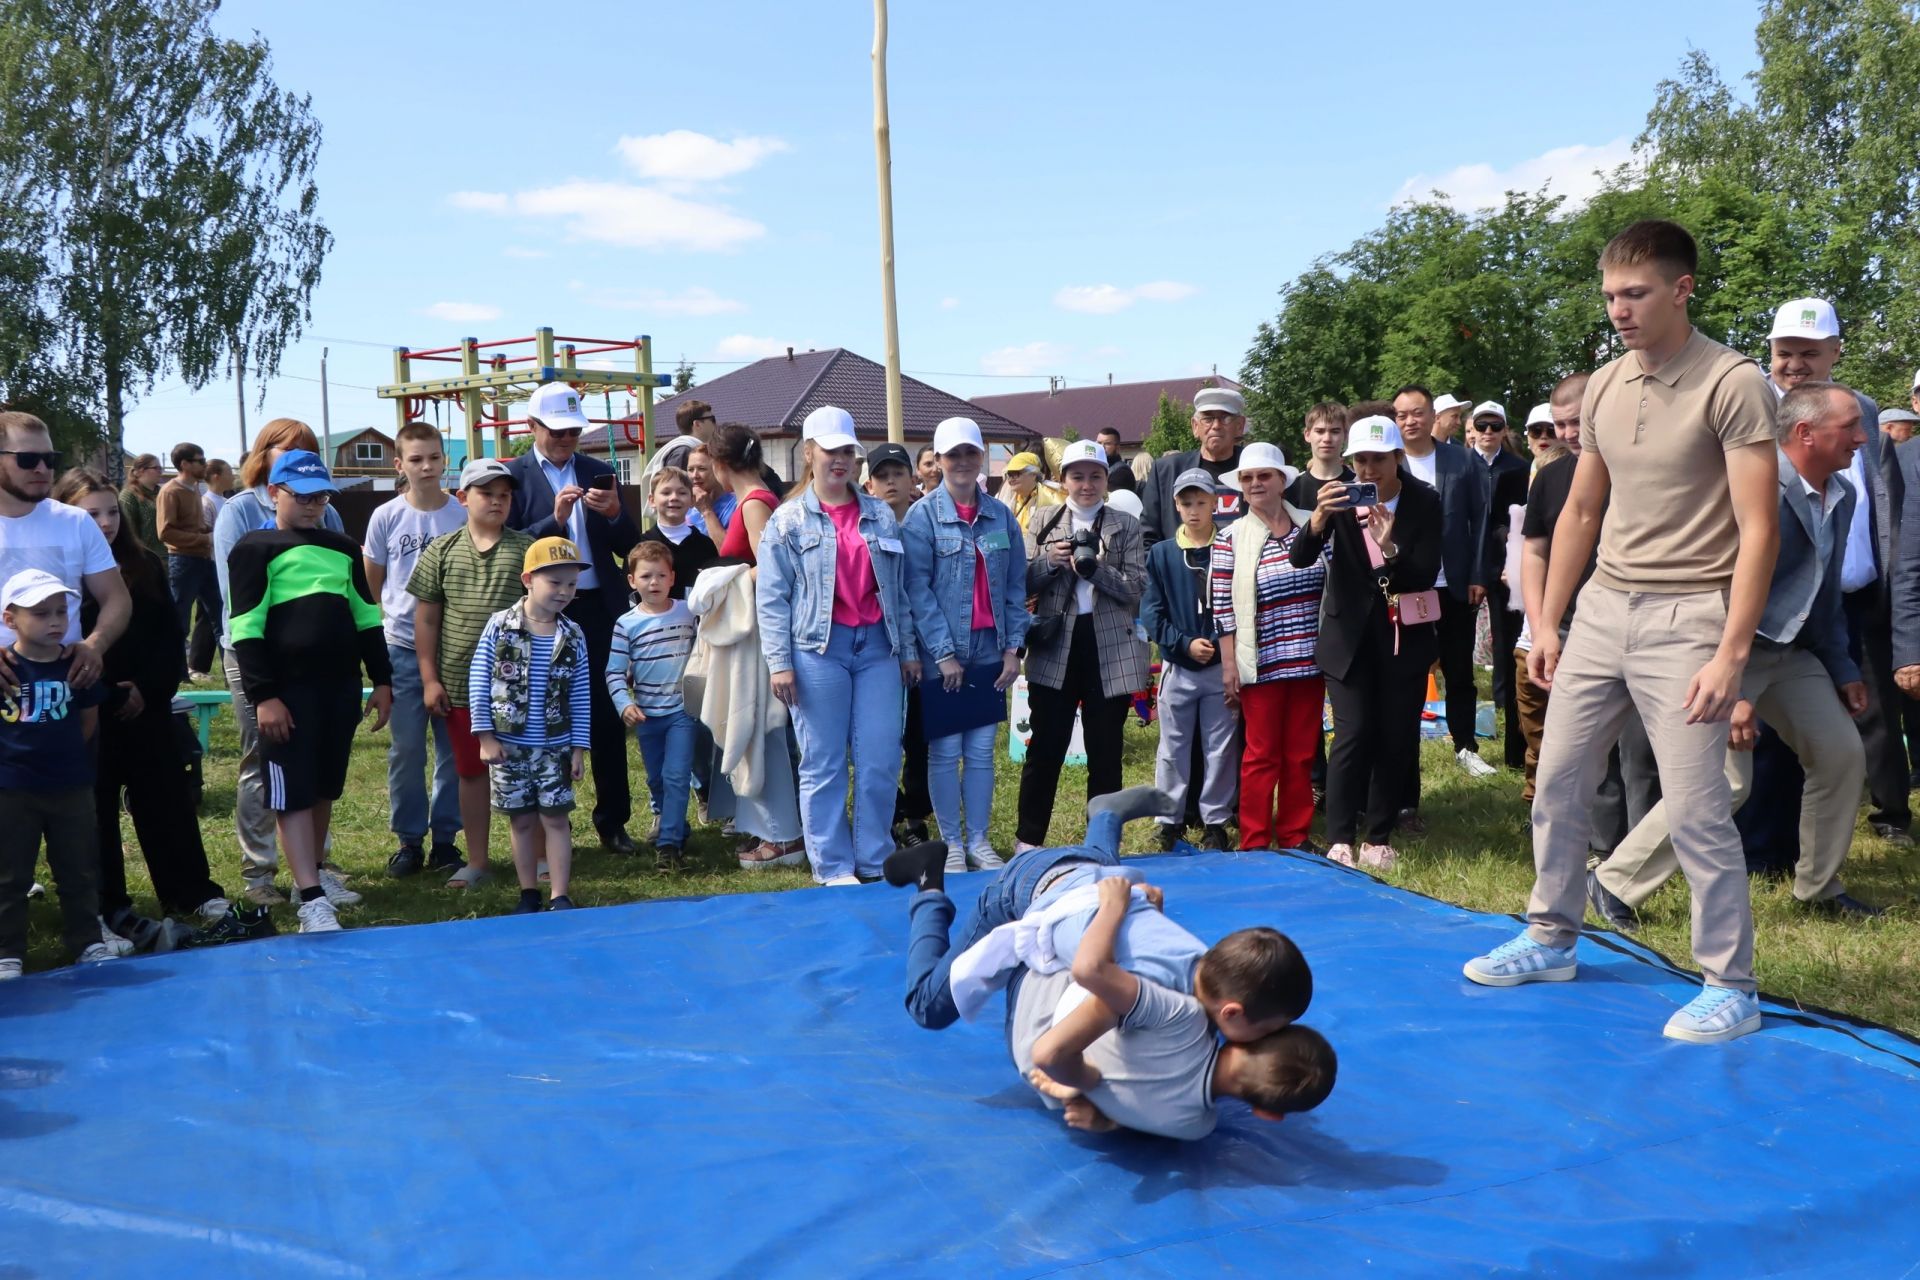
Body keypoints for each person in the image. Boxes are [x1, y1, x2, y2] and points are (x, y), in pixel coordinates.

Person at [1464, 219, 1781, 1045]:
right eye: (1610, 295)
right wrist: (1545, 623)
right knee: (1560, 778)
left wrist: (1731, 653)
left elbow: (1760, 531)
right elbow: (1580, 509)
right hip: (1604, 607)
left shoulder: (1734, 382)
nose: (1619, 311)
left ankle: (1731, 983)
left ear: (1682, 290)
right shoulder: (1602, 386)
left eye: (1635, 294)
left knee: (1697, 806)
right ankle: (1551, 936)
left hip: (1692, 617)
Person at [886, 788, 1335, 1140]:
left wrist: (1129, 910)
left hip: (1077, 889)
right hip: (1029, 892)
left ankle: (1106, 817)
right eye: (1267, 1029)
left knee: (1104, 877)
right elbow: (1089, 971)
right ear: (1233, 1013)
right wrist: (1085, 1083)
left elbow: (1129, 958)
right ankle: (929, 881)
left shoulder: (1198, 977)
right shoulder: (1193, 1108)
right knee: (928, 1004)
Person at [1591, 382, 1875, 920]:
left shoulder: (1843, 495)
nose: (1863, 438)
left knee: (1841, 754)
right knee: (1725, 780)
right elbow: (1713, 585)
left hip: (1790, 654)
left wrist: (1841, 667)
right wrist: (1731, 685)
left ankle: (1819, 890)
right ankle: (1614, 883)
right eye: (1851, 428)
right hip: (1718, 648)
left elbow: (1825, 591)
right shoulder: (1753, 486)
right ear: (1804, 433)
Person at [54, 470, 229, 949]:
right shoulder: (53, 570)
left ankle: (191, 891)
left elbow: (170, 637)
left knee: (166, 802)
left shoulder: (143, 564)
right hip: (84, 706)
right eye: (92, 514)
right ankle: (108, 904)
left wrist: (147, 691)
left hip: (147, 706)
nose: (105, 522)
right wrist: (107, 690)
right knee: (95, 812)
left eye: (111, 511)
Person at [1757, 299, 1907, 848]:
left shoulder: (1860, 409)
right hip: (1777, 602)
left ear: (1836, 352)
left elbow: (1883, 498)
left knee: (1868, 713)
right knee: (1771, 732)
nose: (1795, 363)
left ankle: (1877, 820)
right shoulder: (1751, 409)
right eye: (1784, 352)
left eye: (1809, 352)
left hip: (1856, 593)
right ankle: (1768, 844)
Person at [226, 451, 394, 934]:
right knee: (291, 792)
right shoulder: (254, 548)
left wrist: (382, 680)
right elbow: (246, 627)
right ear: (274, 492)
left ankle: (312, 876)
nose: (312, 505)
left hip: (338, 686)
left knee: (323, 784)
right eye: (301, 496)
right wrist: (264, 695)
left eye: (320, 495)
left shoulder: (342, 546)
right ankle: (312, 901)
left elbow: (367, 618)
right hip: (287, 690)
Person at [759, 406, 917, 885]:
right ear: (809, 453)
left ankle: (873, 858)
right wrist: (780, 664)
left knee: (881, 757)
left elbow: (898, 590)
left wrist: (908, 649)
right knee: (823, 760)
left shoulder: (880, 517)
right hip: (815, 652)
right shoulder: (786, 522)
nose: (841, 460)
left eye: (848, 451)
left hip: (878, 650)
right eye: (831, 450)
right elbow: (772, 599)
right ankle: (831, 865)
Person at [1292, 417, 1441, 868]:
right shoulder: (1338, 497)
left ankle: (1378, 835)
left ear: (1398, 457)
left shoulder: (1424, 501)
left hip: (1404, 634)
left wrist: (1390, 546)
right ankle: (1339, 835)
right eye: (1360, 460)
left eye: (1378, 458)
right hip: (1348, 636)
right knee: (1352, 733)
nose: (1368, 469)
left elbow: (1424, 573)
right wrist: (1318, 520)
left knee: (1394, 734)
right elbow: (1300, 559)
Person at [212, 417, 347, 906]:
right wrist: (264, 676)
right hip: (256, 656)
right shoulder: (237, 511)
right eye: (287, 450)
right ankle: (259, 871)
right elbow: (234, 597)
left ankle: (314, 870)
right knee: (262, 760)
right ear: (264, 457)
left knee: (318, 763)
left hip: (318, 666)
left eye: (309, 450)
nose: (301, 460)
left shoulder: (326, 514)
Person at [505, 382, 642, 857]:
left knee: (605, 717)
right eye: (557, 431)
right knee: (543, 712)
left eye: (573, 431)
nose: (566, 440)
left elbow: (631, 546)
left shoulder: (599, 471)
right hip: (543, 612)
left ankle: (613, 821)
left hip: (598, 608)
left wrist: (615, 513)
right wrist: (554, 523)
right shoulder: (514, 476)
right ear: (532, 427)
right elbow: (510, 547)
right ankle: (543, 826)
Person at [901, 418, 1030, 872]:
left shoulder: (1001, 516)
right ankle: (951, 842)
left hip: (990, 650)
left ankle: (978, 840)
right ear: (936, 461)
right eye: (951, 455)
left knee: (978, 753)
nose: (961, 462)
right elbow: (916, 591)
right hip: (945, 653)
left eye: (969, 454)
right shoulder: (921, 518)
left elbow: (1015, 586)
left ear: (981, 459)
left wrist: (1014, 648)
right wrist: (942, 654)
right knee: (944, 751)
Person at [408, 458, 534, 888]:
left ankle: (534, 857)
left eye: (505, 494)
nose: (497, 501)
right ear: (463, 498)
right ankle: (478, 860)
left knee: (524, 771)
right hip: (462, 687)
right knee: (469, 771)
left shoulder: (527, 548)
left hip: (519, 688)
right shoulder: (440, 551)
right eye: (486, 493)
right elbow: (425, 621)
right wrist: (430, 678)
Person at [1015, 440, 1147, 851]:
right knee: (1045, 747)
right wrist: (1049, 564)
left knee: (1105, 751)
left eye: (1095, 476)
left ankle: (1101, 842)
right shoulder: (1042, 519)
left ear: (1107, 479)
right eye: (1077, 476)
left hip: (1110, 647)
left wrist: (1095, 570)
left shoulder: (1125, 525)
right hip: (1056, 642)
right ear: (1063, 480)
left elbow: (1136, 589)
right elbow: (1020, 583)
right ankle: (1029, 842)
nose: (1086, 484)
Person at [0, 568, 121, 978]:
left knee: (79, 869)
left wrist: (66, 757)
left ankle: (87, 941)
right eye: (40, 613)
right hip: (12, 789)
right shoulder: (5, 670)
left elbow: (88, 721)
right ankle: (7, 951)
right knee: (10, 873)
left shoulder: (77, 666)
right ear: (10, 619)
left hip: (71, 785)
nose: (54, 621)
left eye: (60, 611)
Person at [362, 421, 468, 879]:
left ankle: (445, 838)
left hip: (454, 648)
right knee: (406, 748)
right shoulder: (386, 516)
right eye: (417, 459)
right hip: (402, 647)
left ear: (445, 460)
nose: (427, 467)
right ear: (399, 464)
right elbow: (372, 583)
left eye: (435, 458)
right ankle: (409, 840)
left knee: (452, 750)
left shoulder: (462, 516)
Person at [1207, 444, 1325, 853]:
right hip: (1261, 662)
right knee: (1261, 756)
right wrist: (1228, 666)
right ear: (1240, 487)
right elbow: (1222, 609)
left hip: (1311, 660)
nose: (1256, 483)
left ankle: (1295, 835)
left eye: (1264, 476)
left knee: (1300, 755)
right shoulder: (1229, 539)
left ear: (1282, 481)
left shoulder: (1314, 525)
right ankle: (1254, 840)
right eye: (1248, 478)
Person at [699, 422, 805, 869]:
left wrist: (723, 581)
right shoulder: (749, 500)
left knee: (763, 725)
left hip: (759, 631)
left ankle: (783, 835)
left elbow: (772, 568)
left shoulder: (756, 503)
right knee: (756, 725)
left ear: (722, 464)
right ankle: (767, 827)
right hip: (748, 628)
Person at [470, 537, 592, 913]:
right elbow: (479, 679)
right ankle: (528, 892)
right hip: (508, 748)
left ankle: (559, 894)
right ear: (528, 580)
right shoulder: (500, 626)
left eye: (571, 584)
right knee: (521, 821)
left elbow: (581, 693)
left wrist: (579, 748)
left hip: (555, 747)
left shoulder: (572, 635)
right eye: (554, 582)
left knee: (556, 820)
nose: (564, 592)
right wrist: (485, 737)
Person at [1392, 384, 1492, 791]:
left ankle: (1465, 745)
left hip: (1452, 581)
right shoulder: (1388, 464)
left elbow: (1480, 520)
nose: (1410, 421)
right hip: (1408, 584)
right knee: (1408, 671)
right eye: (1401, 415)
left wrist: (1478, 575)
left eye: (1417, 412)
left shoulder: (1460, 460)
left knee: (1459, 669)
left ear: (1433, 415)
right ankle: (1403, 743)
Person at [1142, 469, 1236, 851]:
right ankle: (1169, 819)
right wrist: (1182, 644)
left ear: (1216, 503)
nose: (1194, 510)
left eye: (1201, 502)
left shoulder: (1229, 546)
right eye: (1186, 503)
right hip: (1178, 667)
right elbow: (1151, 611)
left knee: (1220, 746)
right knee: (1173, 746)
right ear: (1176, 506)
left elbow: (1239, 603)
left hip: (1220, 666)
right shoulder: (1162, 553)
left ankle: (1215, 819)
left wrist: (1214, 643)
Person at [608, 542, 700, 870]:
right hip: (647, 715)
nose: (654, 582)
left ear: (672, 577)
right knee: (657, 779)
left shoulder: (688, 612)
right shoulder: (626, 624)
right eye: (646, 576)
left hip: (682, 712)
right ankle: (676, 826)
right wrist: (623, 705)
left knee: (677, 775)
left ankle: (669, 845)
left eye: (661, 575)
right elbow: (614, 672)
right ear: (632, 580)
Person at [868, 442, 937, 847]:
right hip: (878, 647)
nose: (891, 481)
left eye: (898, 473)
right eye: (882, 475)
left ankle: (915, 815)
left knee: (919, 738)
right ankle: (888, 811)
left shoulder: (925, 524)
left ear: (913, 478)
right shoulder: (864, 528)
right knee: (879, 738)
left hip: (924, 651)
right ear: (870, 483)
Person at [1469, 402, 1530, 771]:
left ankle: (1516, 747)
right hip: (1467, 568)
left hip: (1508, 568)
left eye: (1496, 426)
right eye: (1482, 425)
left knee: (1510, 652)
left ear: (1505, 430)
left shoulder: (1519, 469)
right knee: (1459, 657)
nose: (1489, 432)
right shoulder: (1462, 465)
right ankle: (1467, 743)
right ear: (1472, 428)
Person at [1140, 387, 1249, 547]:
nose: (1216, 425)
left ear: (1240, 425)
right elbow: (1147, 537)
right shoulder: (1166, 471)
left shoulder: (1257, 471)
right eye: (1208, 418)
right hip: (1183, 569)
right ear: (1195, 426)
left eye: (1225, 418)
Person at [156, 442, 219, 667]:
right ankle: (174, 669)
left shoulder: (194, 489)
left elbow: (193, 526)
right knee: (180, 618)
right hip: (182, 561)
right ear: (184, 464)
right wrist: (204, 539)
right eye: (200, 460)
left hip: (203, 559)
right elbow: (165, 532)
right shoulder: (171, 491)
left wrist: (211, 532)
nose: (205, 464)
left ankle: (231, 670)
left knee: (220, 612)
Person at [636, 465, 718, 600]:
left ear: (692, 500)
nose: (674, 497)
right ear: (652, 500)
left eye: (682, 493)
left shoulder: (705, 546)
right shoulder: (641, 545)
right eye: (666, 492)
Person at [189, 457, 235, 676]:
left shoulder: (226, 501)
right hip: (211, 564)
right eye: (228, 471)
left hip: (224, 564)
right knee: (208, 615)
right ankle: (197, 665)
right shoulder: (206, 502)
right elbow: (204, 534)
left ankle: (198, 665)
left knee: (211, 616)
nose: (233, 475)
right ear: (216, 476)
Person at [1286, 402, 1352, 510]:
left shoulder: (1359, 483)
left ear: (1345, 436)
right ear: (1307, 435)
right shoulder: (1292, 489)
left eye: (1335, 431)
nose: (1327, 439)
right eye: (1320, 431)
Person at [686, 442, 736, 540]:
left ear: (717, 469)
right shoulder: (685, 505)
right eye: (690, 470)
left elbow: (726, 550)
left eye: (702, 469)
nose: (694, 475)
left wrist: (706, 510)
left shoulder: (735, 505)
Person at [118, 454, 164, 555]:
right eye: (156, 468)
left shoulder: (163, 493)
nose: (160, 471)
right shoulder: (129, 495)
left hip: (169, 556)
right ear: (140, 471)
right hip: (145, 557)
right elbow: (128, 532)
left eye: (161, 468)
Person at [1003, 451, 1058, 535]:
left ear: (1033, 474)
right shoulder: (1004, 499)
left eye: (1016, 474)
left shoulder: (1051, 498)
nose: (1011, 479)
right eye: (1009, 474)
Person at [1097, 427, 1136, 494]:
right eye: (1099, 443)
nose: (1101, 447)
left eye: (1107, 444)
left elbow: (1111, 501)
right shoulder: (1096, 467)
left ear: (1117, 448)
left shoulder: (1121, 472)